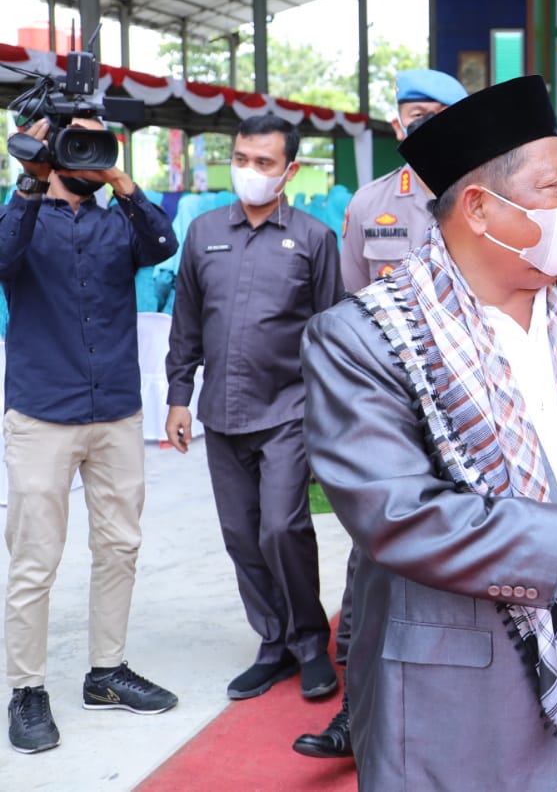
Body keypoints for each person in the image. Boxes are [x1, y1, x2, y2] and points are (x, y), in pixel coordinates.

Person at [301, 75, 557, 789]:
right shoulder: (367, 336)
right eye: (555, 186)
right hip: (458, 702)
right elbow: (394, 514)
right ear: (479, 209)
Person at [296, 68, 471, 759]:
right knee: (375, 553)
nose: (417, 124)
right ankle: (357, 710)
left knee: (474, 547)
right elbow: (352, 310)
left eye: (432, 112)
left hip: (475, 404)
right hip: (393, 408)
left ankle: (471, 712)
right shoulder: (371, 203)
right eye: (408, 113)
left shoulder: (486, 191)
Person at [2, 117, 180, 754]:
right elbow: (2, 258)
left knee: (119, 546)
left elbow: (163, 244)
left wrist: (121, 181)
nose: (89, 152)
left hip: (116, 414)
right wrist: (30, 180)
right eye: (76, 141)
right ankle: (26, 691)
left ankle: (106, 673)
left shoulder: (119, 223)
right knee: (34, 559)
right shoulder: (20, 217)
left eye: (99, 142)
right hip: (41, 414)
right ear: (50, 147)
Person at [164, 114, 341, 703]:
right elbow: (187, 322)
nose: (249, 171)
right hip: (221, 411)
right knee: (241, 534)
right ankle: (273, 644)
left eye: (264, 162)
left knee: (282, 528)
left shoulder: (315, 239)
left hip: (289, 410)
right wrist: (179, 396)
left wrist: (330, 418)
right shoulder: (204, 232)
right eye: (241, 159)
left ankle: (310, 645)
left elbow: (331, 334)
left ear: (290, 170)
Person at [339, 68, 469, 289]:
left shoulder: (491, 198)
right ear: (398, 127)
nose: (433, 124)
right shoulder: (367, 204)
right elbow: (355, 295)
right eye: (418, 115)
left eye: (445, 114)